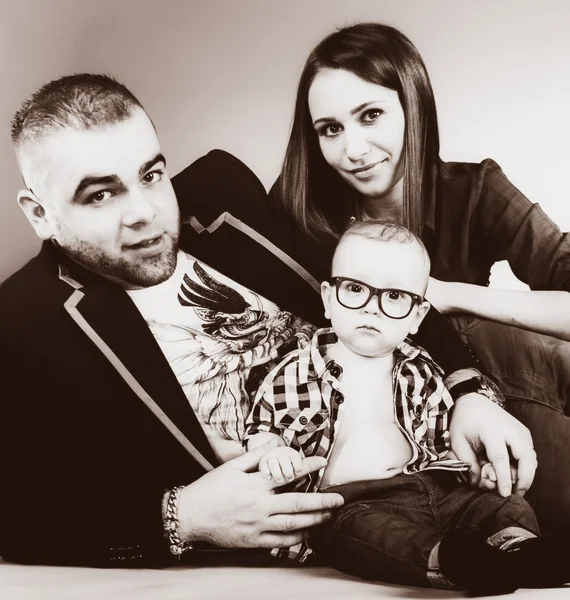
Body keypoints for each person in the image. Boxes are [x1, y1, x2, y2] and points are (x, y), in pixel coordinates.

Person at [0, 73, 532, 568]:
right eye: (100, 194)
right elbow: (18, 513)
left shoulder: (221, 192)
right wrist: (182, 515)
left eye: (151, 174)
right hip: (343, 523)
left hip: (429, 441)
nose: (145, 211)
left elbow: (378, 284)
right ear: (39, 212)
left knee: (548, 368)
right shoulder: (24, 325)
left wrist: (472, 393)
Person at [268, 21, 570, 531]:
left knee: (517, 342)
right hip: (402, 415)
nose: (354, 150)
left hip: (504, 378)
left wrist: (449, 295)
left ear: (414, 106)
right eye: (331, 129)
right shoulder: (304, 216)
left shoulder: (474, 190)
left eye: (371, 116)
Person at [244, 219, 569, 593]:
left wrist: (477, 472)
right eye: (355, 288)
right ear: (328, 299)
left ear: (417, 316)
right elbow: (260, 429)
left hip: (429, 486)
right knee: (370, 535)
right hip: (351, 501)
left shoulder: (423, 371)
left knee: (501, 503)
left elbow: (446, 441)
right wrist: (272, 452)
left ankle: (520, 549)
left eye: (395, 296)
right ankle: (450, 562)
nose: (373, 308)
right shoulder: (295, 371)